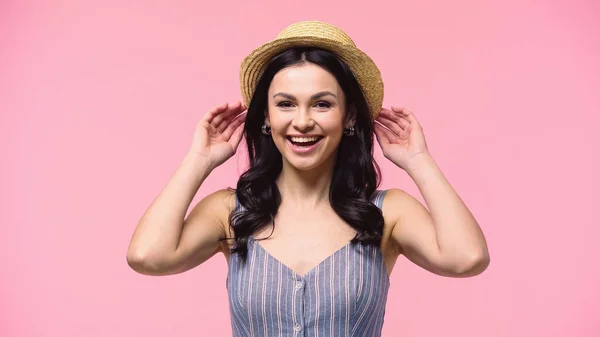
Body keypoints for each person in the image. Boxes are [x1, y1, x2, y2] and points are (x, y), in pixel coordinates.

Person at [126, 20, 490, 336]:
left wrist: (418, 160)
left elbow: (467, 257)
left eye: (322, 104)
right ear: (266, 117)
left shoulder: (387, 213)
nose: (302, 121)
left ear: (349, 117)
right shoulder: (231, 211)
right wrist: (198, 160)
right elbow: (147, 256)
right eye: (285, 104)